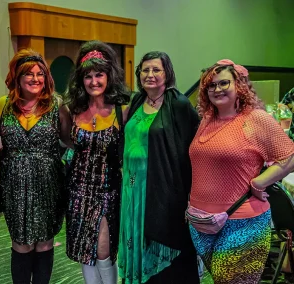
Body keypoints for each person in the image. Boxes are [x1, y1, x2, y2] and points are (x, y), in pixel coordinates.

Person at [189, 59, 294, 284]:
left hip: (242, 221)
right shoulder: (207, 119)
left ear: (239, 86)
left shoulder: (255, 119)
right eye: (211, 85)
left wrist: (259, 183)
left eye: (224, 83)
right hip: (201, 223)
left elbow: (289, 156)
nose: (216, 89)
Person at [118, 51, 200, 284]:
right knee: (136, 240)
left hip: (163, 190)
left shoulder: (179, 104)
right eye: (145, 70)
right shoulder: (136, 100)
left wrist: (190, 197)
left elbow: (191, 150)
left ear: (167, 73)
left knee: (163, 244)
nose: (150, 74)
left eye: (156, 70)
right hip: (132, 191)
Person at [0, 49, 71, 284]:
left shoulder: (56, 105)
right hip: (14, 183)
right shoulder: (2, 106)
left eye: (40, 74)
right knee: (21, 241)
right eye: (29, 74)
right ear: (17, 77)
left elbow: (70, 140)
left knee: (44, 240)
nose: (36, 79)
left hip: (48, 182)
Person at [65, 40, 130, 284]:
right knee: (85, 250)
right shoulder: (72, 110)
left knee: (103, 251)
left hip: (108, 191)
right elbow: (66, 143)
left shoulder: (122, 110)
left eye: (99, 75)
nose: (94, 81)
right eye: (88, 76)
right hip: (78, 191)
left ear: (109, 76)